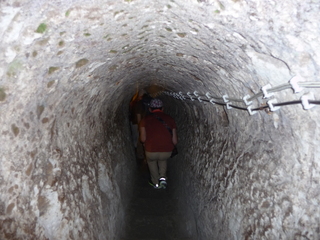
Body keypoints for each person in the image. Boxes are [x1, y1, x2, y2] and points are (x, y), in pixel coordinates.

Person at [139, 98, 178, 189]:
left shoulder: (144, 120)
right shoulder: (170, 120)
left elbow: (143, 139)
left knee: (151, 161)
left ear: (150, 109)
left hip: (151, 150)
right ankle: (163, 179)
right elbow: (175, 141)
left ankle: (155, 183)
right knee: (163, 160)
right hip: (167, 151)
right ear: (162, 109)